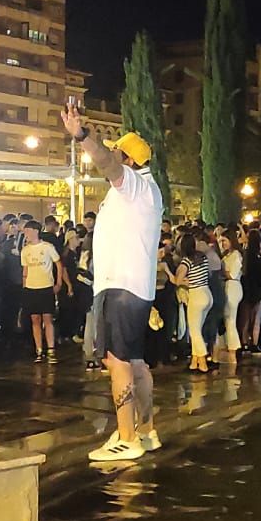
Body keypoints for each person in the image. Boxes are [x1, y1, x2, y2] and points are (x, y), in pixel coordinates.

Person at [60, 103, 165, 462]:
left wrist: (82, 136)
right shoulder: (141, 193)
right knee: (134, 361)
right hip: (131, 285)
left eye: (118, 150)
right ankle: (147, 431)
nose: (112, 154)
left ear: (130, 160)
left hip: (121, 286)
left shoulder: (135, 186)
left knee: (117, 360)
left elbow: (107, 162)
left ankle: (126, 437)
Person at [21, 219, 65, 363]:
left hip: (46, 286)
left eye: (27, 231)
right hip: (31, 287)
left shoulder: (47, 247)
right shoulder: (25, 250)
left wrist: (58, 282)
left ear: (35, 231)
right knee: (35, 319)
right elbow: (25, 269)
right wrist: (24, 284)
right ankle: (39, 349)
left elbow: (58, 264)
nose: (25, 234)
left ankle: (51, 350)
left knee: (47, 318)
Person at [175, 231, 213, 372]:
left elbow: (178, 281)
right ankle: (194, 361)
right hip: (207, 293)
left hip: (196, 296)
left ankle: (202, 362)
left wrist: (181, 279)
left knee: (194, 331)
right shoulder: (202, 257)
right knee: (198, 329)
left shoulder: (186, 261)